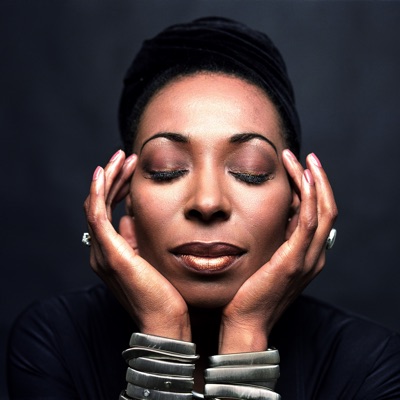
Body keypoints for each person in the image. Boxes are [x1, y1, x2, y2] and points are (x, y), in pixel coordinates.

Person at [7, 17, 400, 400]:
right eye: (167, 169)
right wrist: (163, 330)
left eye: (249, 171)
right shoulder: (54, 340)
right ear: (127, 210)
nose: (208, 202)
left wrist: (246, 331)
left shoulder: (370, 365)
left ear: (296, 209)